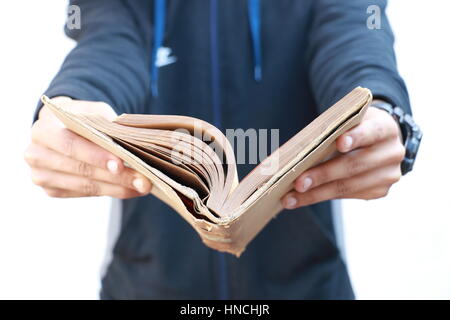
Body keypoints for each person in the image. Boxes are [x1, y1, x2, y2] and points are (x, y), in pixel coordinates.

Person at [25, 0, 421, 299]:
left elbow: (358, 31)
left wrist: (384, 110)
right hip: (142, 285)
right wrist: (70, 105)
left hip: (309, 285)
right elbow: (103, 41)